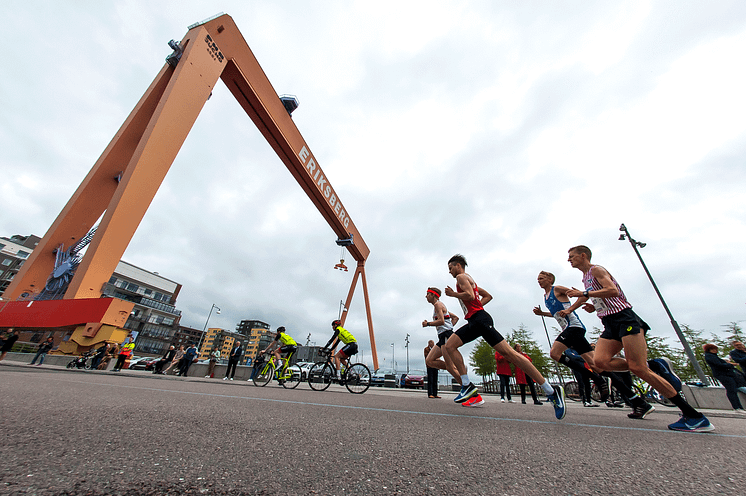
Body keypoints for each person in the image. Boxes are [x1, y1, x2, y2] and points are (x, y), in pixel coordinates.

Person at [563, 245, 713, 432]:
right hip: (609, 323)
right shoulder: (585, 277)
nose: (569, 259)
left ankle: (694, 417)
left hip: (625, 319)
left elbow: (613, 290)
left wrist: (585, 294)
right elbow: (605, 297)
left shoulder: (596, 270)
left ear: (583, 255)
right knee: (599, 363)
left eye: (572, 256)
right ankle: (653, 365)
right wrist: (595, 307)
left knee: (638, 369)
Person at [443, 254, 566, 419]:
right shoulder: (471, 280)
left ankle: (551, 390)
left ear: (458, 265)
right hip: (476, 320)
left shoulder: (461, 277)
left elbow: (470, 296)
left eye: (450, 268)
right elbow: (486, 297)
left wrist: (453, 295)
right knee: (450, 346)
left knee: (511, 354)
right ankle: (467, 385)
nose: (450, 272)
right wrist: (475, 308)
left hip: (480, 321)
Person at [533, 271, 611, 401]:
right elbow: (557, 314)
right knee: (594, 363)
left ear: (550, 279)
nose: (539, 281)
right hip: (570, 329)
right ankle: (619, 383)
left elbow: (582, 296)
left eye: (541, 278)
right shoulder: (545, 296)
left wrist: (570, 309)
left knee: (555, 353)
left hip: (574, 327)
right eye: (537, 279)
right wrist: (542, 313)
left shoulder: (557, 289)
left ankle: (597, 379)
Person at [422, 287, 465, 399]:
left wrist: (428, 324)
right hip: (443, 337)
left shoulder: (438, 305)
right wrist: (449, 326)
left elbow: (441, 321)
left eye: (428, 294)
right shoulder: (440, 306)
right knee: (430, 361)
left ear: (433, 295)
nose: (426, 296)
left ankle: (467, 388)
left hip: (446, 336)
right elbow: (455, 317)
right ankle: (453, 367)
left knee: (450, 368)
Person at [703, 343, 746, 413]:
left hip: (726, 374)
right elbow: (719, 365)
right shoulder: (709, 356)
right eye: (714, 349)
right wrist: (729, 365)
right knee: (731, 390)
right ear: (710, 349)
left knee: (733, 390)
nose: (716, 351)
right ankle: (737, 407)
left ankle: (739, 407)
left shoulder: (713, 356)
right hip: (722, 375)